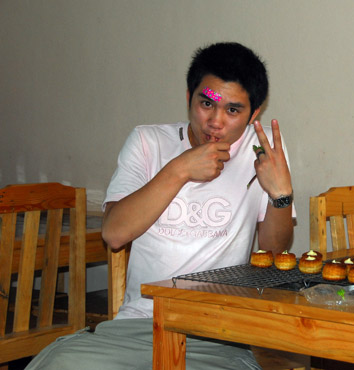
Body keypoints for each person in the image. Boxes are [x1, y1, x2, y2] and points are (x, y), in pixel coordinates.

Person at [26, 42, 295, 369]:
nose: (215, 121)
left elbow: (274, 252)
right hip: (139, 326)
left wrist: (281, 196)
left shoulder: (263, 151)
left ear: (254, 114)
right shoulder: (147, 142)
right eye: (206, 103)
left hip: (218, 333)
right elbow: (113, 234)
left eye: (233, 110)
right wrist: (179, 169)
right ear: (188, 98)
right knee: (59, 362)